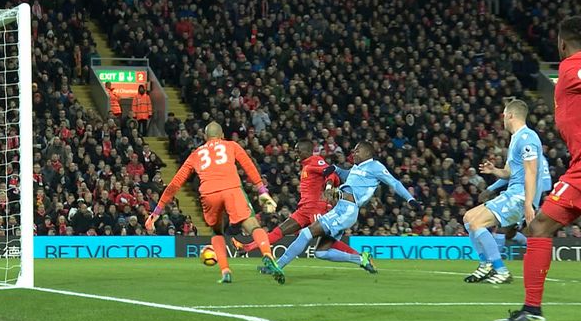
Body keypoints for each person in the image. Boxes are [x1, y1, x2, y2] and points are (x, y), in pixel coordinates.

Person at [496, 17, 581, 321]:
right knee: (539, 227)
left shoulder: (572, 67)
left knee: (539, 227)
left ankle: (532, 310)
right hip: (577, 172)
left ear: (561, 43)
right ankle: (532, 310)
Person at [145, 122, 284, 284]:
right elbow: (249, 166)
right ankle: (267, 254)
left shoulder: (196, 154)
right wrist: (262, 191)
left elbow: (175, 184)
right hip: (232, 189)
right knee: (253, 226)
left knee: (217, 233)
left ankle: (225, 271)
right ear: (222, 135)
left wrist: (156, 212)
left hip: (209, 193)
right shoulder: (231, 145)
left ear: (205, 137)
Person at [272, 141, 420, 274]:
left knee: (305, 233)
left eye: (357, 151)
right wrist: (335, 168)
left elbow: (394, 183)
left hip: (347, 209)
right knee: (321, 253)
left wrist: (410, 199)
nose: (353, 153)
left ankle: (277, 266)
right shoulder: (357, 168)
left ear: (367, 153)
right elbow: (346, 175)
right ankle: (360, 259)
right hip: (340, 208)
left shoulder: (376, 166)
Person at [231, 140, 369, 272]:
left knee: (326, 242)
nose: (295, 153)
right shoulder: (306, 165)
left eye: (298, 150)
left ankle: (360, 257)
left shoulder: (315, 161)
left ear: (307, 151)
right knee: (278, 232)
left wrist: (328, 186)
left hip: (317, 208)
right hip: (303, 209)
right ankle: (248, 248)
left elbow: (330, 172)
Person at [462, 100, 549, 285]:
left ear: (510, 115)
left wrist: (528, 203)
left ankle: (500, 270)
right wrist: (494, 170)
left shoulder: (527, 138)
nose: (502, 118)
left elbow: (532, 172)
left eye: (504, 114)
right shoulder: (515, 138)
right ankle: (486, 265)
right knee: (469, 218)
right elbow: (509, 173)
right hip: (514, 192)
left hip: (520, 195)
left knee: (477, 222)